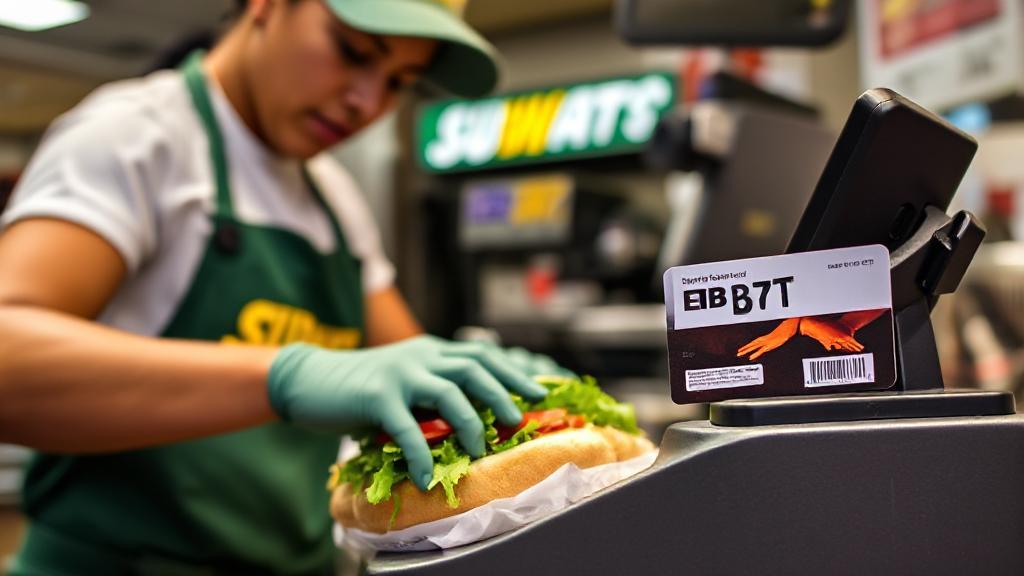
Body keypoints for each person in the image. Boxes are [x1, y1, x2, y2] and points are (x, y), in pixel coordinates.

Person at [0, 0, 565, 573]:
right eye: (353, 52)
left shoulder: (334, 197)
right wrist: (283, 376)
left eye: (399, 82)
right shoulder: (137, 137)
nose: (366, 103)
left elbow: (411, 371)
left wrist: (502, 386)